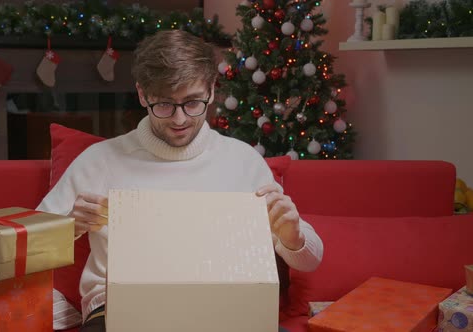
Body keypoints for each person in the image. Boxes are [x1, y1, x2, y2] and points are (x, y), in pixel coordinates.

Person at [37, 29, 323, 332]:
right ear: (142, 94)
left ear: (212, 90)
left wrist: (293, 237)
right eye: (164, 104)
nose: (179, 119)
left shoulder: (243, 161)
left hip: (224, 309)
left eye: (192, 103)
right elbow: (25, 250)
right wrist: (70, 225)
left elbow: (310, 260)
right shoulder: (100, 160)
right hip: (119, 311)